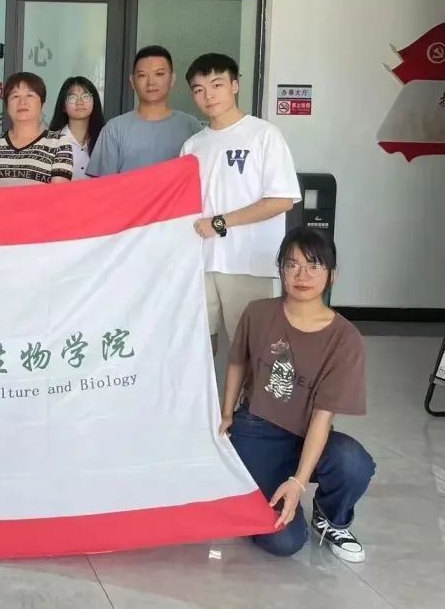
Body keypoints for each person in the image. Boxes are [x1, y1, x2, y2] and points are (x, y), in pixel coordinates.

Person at [221, 227, 373, 562]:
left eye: (314, 266)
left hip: (308, 436)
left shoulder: (345, 339)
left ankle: (331, 517)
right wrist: (227, 414)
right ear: (281, 270)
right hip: (256, 432)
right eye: (292, 265)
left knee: (352, 462)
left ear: (331, 275)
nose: (302, 275)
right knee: (284, 542)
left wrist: (300, 482)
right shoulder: (258, 313)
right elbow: (237, 362)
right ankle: (257, 498)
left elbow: (322, 417)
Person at [180, 53, 301, 350]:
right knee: (199, 349)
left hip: (248, 262)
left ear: (235, 85)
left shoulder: (264, 135)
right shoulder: (192, 146)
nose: (209, 96)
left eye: (217, 85)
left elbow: (282, 200)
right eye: (199, 89)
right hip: (200, 262)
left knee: (250, 349)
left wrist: (220, 223)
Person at [87, 45, 202, 177]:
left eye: (159, 74)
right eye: (142, 75)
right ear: (132, 81)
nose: (151, 82)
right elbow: (103, 185)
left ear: (172, 79)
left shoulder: (191, 126)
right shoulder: (114, 129)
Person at [0, 72, 74, 189]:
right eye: (15, 96)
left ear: (42, 103)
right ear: (6, 105)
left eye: (30, 95)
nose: (22, 102)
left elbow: (59, 193)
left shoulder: (59, 143)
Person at [49, 76, 106, 180]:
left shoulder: (105, 140)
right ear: (63, 106)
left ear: (94, 103)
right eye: (72, 98)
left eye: (85, 96)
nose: (80, 102)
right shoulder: (51, 141)